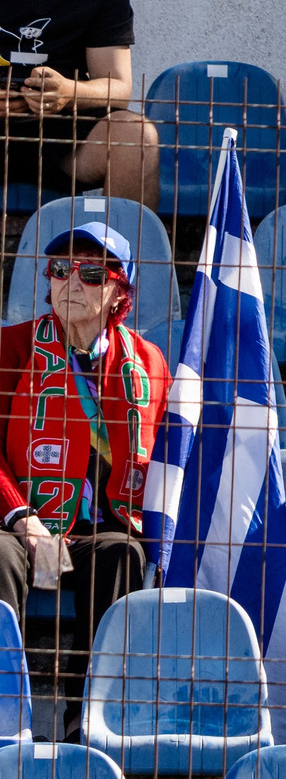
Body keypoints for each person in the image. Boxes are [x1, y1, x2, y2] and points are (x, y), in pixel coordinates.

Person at [0, 223, 168, 676]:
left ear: (119, 293)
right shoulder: (12, 348)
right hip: (20, 522)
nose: (71, 282)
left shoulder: (148, 362)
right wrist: (22, 518)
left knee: (123, 555)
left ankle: (90, 716)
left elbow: (169, 455)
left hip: (104, 524)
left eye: (92, 273)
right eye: (60, 269)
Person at [0, 0, 158, 207]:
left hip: (62, 137)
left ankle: (120, 258)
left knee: (136, 137)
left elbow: (118, 87)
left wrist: (68, 92)